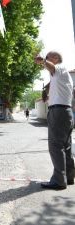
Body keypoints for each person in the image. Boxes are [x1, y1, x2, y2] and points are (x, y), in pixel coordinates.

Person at [35, 51, 75, 190]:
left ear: (56, 58)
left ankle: (59, 181)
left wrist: (42, 60)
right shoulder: (61, 76)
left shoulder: (61, 68)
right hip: (65, 112)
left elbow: (51, 67)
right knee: (66, 146)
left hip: (58, 112)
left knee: (56, 146)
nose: (46, 58)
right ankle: (69, 177)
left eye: (49, 56)